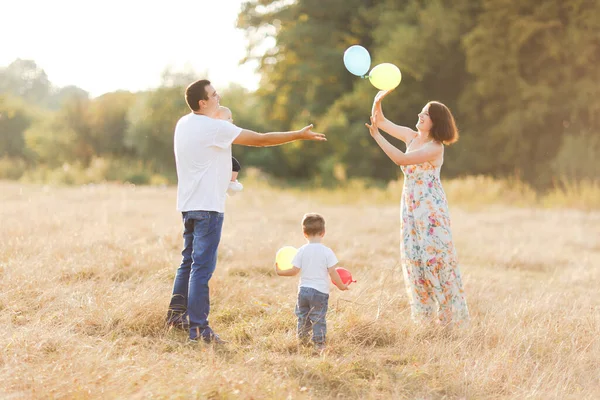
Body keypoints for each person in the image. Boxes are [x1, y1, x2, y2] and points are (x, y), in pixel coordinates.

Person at [166, 79, 327, 343]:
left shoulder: (183, 124)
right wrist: (297, 134)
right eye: (213, 95)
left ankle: (176, 316)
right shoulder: (214, 128)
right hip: (208, 208)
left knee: (188, 262)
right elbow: (261, 140)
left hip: (188, 205)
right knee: (201, 269)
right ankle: (198, 328)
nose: (219, 97)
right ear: (202, 103)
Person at [367, 89, 469, 326]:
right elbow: (380, 121)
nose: (420, 115)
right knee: (415, 260)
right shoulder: (411, 136)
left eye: (425, 113)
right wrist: (377, 100)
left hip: (431, 210)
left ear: (436, 122)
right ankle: (425, 321)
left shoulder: (436, 147)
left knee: (436, 260)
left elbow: (401, 160)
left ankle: (449, 323)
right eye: (421, 112)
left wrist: (377, 138)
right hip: (411, 208)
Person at [275, 213, 348, 351]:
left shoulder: (301, 251)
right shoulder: (327, 252)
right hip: (320, 292)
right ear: (323, 233)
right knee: (318, 318)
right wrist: (342, 286)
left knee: (303, 316)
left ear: (304, 233)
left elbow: (294, 271)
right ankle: (319, 344)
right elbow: (333, 272)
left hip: (303, 291)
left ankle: (302, 340)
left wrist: (280, 272)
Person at [214, 106, 243, 196]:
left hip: (222, 155)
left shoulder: (227, 129)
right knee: (235, 165)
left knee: (233, 165)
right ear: (218, 119)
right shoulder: (219, 128)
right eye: (229, 118)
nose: (232, 120)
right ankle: (231, 182)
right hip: (218, 156)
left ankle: (231, 180)